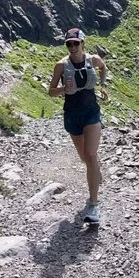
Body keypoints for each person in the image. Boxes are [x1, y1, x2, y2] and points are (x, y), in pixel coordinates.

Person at [48, 28, 108, 224]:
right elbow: (51, 91)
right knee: (85, 157)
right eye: (69, 44)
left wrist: (103, 86)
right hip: (72, 115)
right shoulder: (61, 65)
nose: (72, 47)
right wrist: (63, 89)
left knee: (90, 154)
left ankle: (93, 205)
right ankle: (96, 169)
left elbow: (103, 68)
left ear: (83, 43)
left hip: (91, 112)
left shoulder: (93, 60)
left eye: (76, 43)